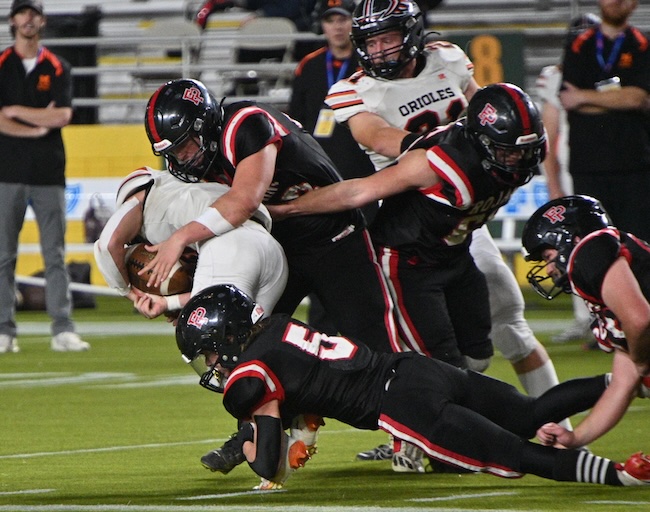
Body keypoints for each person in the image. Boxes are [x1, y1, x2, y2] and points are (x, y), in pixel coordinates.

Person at [318, 0, 567, 468]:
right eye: (370, 40)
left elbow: (484, 106)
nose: (380, 48)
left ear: (410, 33)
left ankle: (561, 429)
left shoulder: (447, 58)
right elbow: (379, 138)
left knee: (506, 328)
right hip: (412, 219)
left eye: (388, 37)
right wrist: (446, 149)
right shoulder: (354, 91)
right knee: (423, 350)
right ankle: (418, 436)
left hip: (463, 216)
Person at [270, 82, 549, 470]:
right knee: (445, 370)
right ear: (482, 142)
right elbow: (357, 193)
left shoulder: (505, 158)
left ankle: (427, 428)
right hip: (408, 265)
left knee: (477, 355)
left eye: (525, 149)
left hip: (454, 255)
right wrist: (289, 210)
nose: (518, 160)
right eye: (508, 150)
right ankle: (428, 439)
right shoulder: (437, 163)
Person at [142, 78, 398, 473]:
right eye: (173, 151)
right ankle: (251, 432)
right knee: (243, 339)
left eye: (186, 145)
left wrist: (180, 237)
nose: (184, 157)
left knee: (374, 339)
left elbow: (243, 201)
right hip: (282, 249)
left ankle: (409, 430)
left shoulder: (247, 123)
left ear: (206, 124)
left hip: (335, 237)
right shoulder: (200, 156)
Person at [175, 283, 650, 488]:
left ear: (230, 339)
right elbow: (309, 381)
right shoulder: (279, 325)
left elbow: (270, 467)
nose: (212, 364)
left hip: (400, 403)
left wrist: (255, 432)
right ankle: (635, 384)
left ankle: (619, 475)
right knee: (531, 412)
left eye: (211, 351)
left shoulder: (248, 374)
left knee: (513, 452)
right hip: (415, 368)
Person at [521, 195, 650, 449]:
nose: (548, 269)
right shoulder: (603, 268)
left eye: (548, 255)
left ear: (571, 239)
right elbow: (623, 384)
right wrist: (575, 438)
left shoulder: (590, 250)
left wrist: (642, 362)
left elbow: (641, 320)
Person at [0, 0, 89, 354]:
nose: (28, 19)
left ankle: (62, 329)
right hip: (7, 172)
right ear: (12, 20)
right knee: (4, 255)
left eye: (33, 13)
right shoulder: (2, 65)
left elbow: (63, 115)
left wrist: (16, 113)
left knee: (55, 254)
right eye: (22, 13)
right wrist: (37, 124)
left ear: (42, 20)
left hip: (48, 173)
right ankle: (4, 330)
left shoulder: (58, 66)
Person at [288, 0, 377, 334]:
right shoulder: (309, 68)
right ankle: (323, 343)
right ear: (321, 25)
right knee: (323, 263)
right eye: (331, 20)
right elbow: (296, 127)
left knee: (367, 264)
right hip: (321, 185)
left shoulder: (370, 63)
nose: (338, 27)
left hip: (366, 181)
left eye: (344, 19)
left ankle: (369, 338)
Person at [93, 167, 288, 319]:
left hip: (232, 245)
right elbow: (219, 287)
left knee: (218, 347)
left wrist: (132, 294)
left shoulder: (148, 199)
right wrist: (168, 303)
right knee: (257, 347)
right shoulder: (193, 191)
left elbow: (107, 246)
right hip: (272, 248)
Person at [535, 13, 601, 345]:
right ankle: (588, 318)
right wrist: (555, 186)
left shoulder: (612, 72)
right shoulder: (556, 79)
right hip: (575, 171)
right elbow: (549, 137)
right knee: (578, 245)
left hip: (616, 167)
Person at [560, 0, 650, 242]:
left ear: (634, 5)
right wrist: (619, 101)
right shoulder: (580, 45)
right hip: (589, 166)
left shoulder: (641, 45)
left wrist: (584, 98)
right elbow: (568, 99)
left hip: (634, 168)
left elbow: (638, 99)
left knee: (638, 245)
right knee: (595, 245)